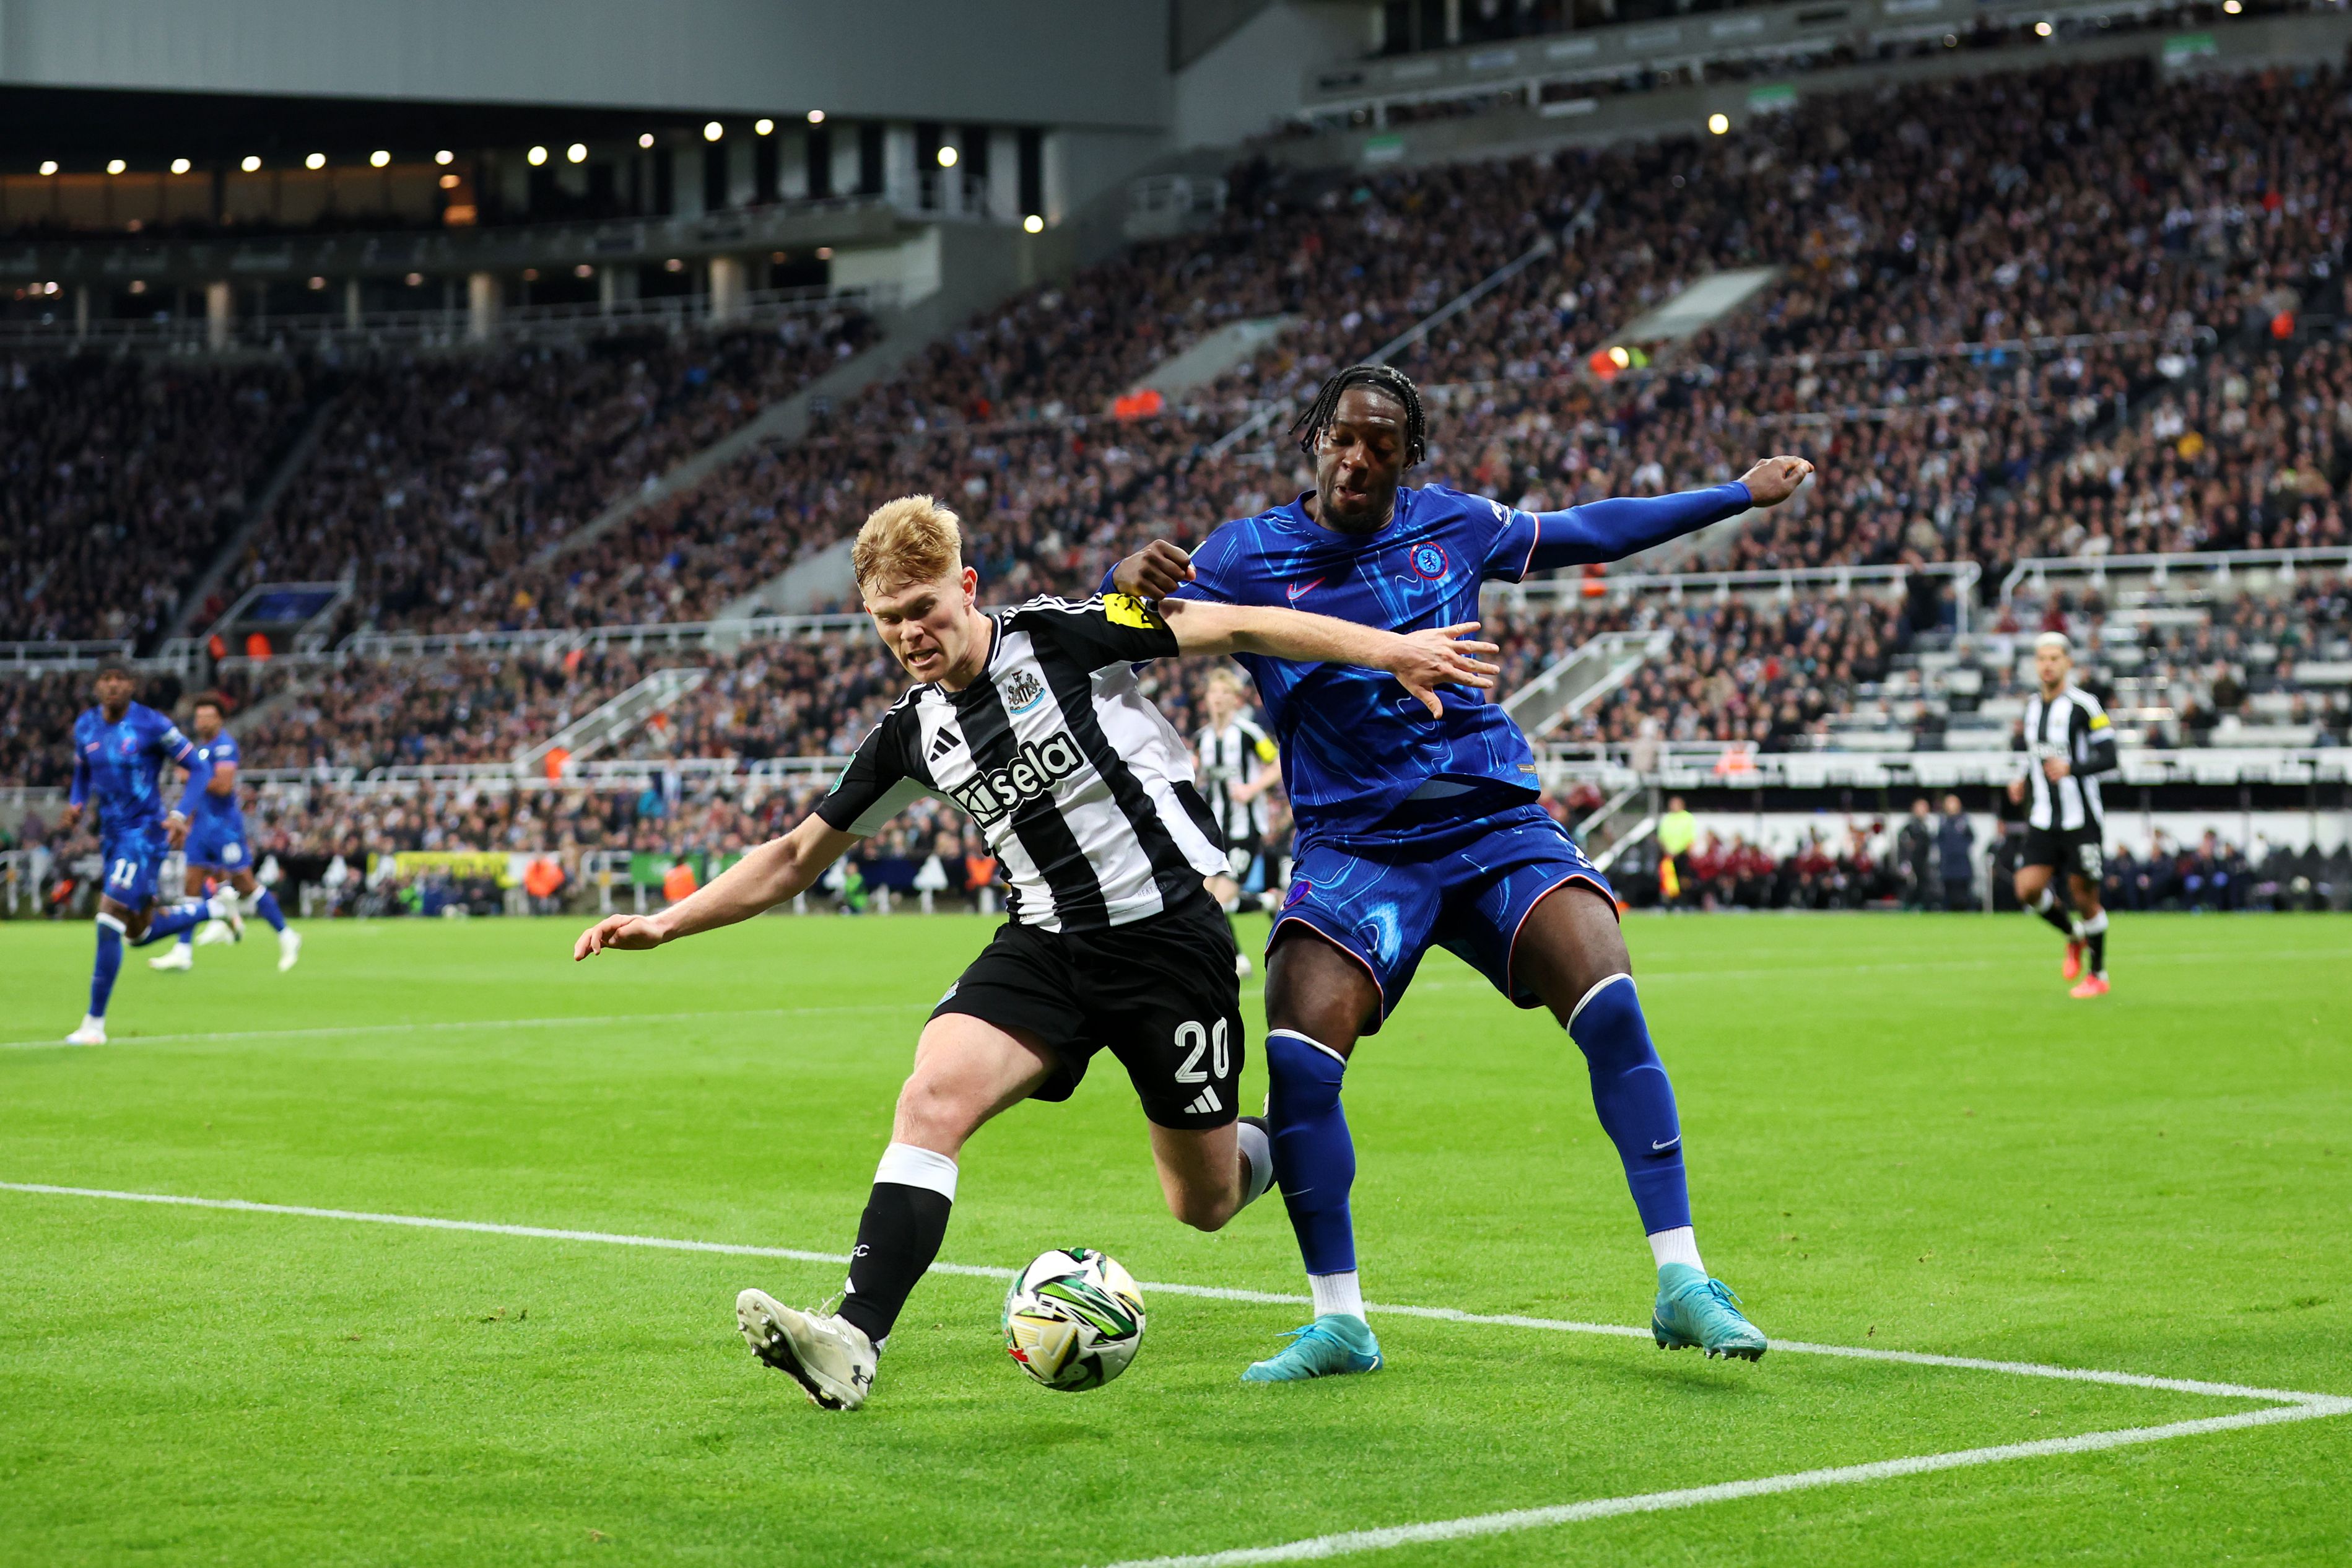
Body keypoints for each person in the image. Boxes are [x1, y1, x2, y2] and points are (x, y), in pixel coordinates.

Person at [571, 494, 1497, 1411]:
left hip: (1168, 941)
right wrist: (668, 921)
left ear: (965, 587)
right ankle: (853, 1340)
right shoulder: (909, 737)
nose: (910, 633)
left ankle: (1278, 1137)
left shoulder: (1065, 637)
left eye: (924, 608)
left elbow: (1237, 625)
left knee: (1204, 1202)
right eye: (889, 619)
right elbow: (792, 859)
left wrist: (1391, 649)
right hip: (1044, 945)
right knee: (930, 1096)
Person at [1107, 364, 1815, 1380]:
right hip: (1352, 847)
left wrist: (1736, 495)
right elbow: (1117, 635)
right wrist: (1125, 579)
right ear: (1313, 437)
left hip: (1492, 823)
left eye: (1381, 443)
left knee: (1609, 997)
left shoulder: (1455, 525)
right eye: (1342, 437)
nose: (1358, 457)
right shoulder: (1242, 555)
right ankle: (1339, 1320)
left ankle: (1683, 1280)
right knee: (1300, 1067)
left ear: (1407, 455)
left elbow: (1589, 529)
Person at [58, 664, 242, 1045]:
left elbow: (200, 766)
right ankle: (217, 909)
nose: (112, 685)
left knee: (108, 916)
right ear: (96, 686)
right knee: (137, 932)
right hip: (110, 836)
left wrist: (178, 814)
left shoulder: (152, 724)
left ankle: (94, 1024)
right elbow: (82, 775)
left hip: (143, 836)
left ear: (131, 686)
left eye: (119, 679)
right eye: (106, 679)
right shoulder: (86, 727)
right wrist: (76, 804)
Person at [148, 695, 301, 974]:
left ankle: (286, 935)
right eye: (199, 717)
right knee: (191, 885)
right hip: (202, 827)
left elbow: (224, 787)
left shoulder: (225, 746)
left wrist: (193, 776)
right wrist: (186, 821)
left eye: (208, 716)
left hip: (225, 827)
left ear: (220, 719)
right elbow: (198, 792)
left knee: (245, 883)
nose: (202, 721)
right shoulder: (202, 748)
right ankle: (184, 951)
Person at [2008, 632, 2116, 997]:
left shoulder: (2086, 706)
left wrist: (2072, 769)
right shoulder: (2032, 707)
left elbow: (2110, 757)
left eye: (2055, 658)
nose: (2047, 664)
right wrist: (2022, 780)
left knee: (2084, 897)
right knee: (2027, 889)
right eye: (2041, 658)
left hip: (2080, 820)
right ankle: (2073, 936)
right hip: (2043, 818)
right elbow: (2035, 756)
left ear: (2068, 663)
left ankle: (2098, 975)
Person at [1193, 667, 1281, 973]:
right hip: (1216, 831)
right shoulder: (1202, 739)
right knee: (1204, 897)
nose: (1218, 699)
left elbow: (1277, 763)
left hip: (1246, 830)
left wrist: (1252, 788)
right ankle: (1266, 904)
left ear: (1234, 699)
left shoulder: (1248, 733)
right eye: (1214, 693)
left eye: (1224, 693)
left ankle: (1236, 960)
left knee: (1218, 899)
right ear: (1206, 699)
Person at [1935, 793, 1977, 912]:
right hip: (1948, 865)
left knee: (1965, 895)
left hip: (1962, 865)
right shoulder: (1943, 822)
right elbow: (1939, 840)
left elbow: (1971, 838)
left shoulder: (1964, 822)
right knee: (1948, 896)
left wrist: (1961, 849)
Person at [1655, 795, 1696, 909]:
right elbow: (1662, 837)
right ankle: (1669, 904)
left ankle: (1684, 902)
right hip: (1668, 855)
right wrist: (1668, 851)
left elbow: (1690, 838)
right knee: (1668, 879)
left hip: (1682, 854)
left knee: (1683, 879)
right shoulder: (1667, 818)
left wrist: (1679, 851)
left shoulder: (1688, 818)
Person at [1897, 798, 1935, 910]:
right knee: (1910, 888)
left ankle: (1922, 908)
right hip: (1911, 864)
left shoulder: (1928, 826)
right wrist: (1904, 863)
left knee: (1924, 888)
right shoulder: (1909, 828)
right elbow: (1904, 847)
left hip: (1924, 864)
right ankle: (1907, 908)